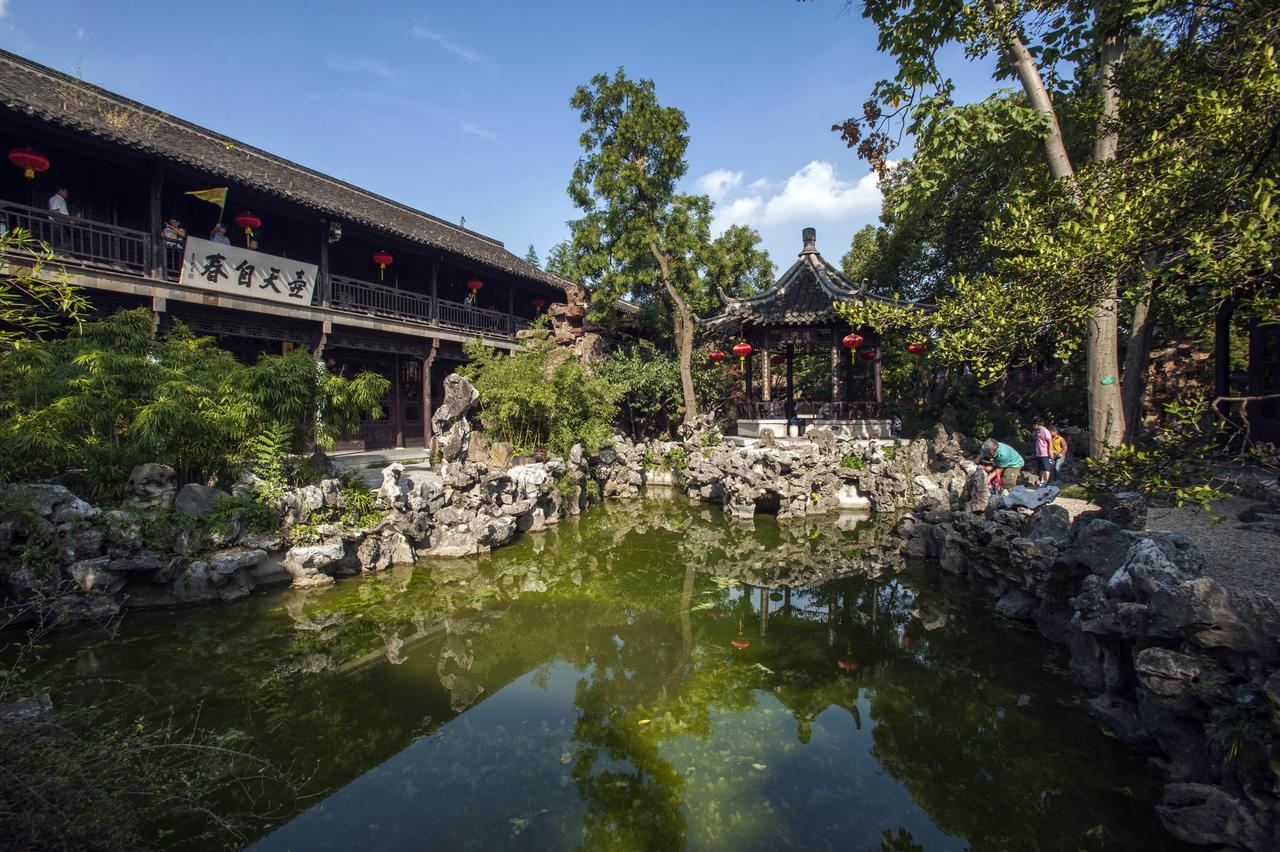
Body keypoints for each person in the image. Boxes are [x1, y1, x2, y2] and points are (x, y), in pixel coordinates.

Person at [1032, 417, 1053, 486]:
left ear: (1037, 424)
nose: (1033, 426)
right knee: (1041, 468)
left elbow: (1050, 441)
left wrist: (1050, 451)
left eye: (1034, 424)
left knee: (1046, 468)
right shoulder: (1038, 432)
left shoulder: (1045, 431)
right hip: (1039, 453)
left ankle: (1045, 481)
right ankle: (1042, 481)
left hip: (1045, 453)